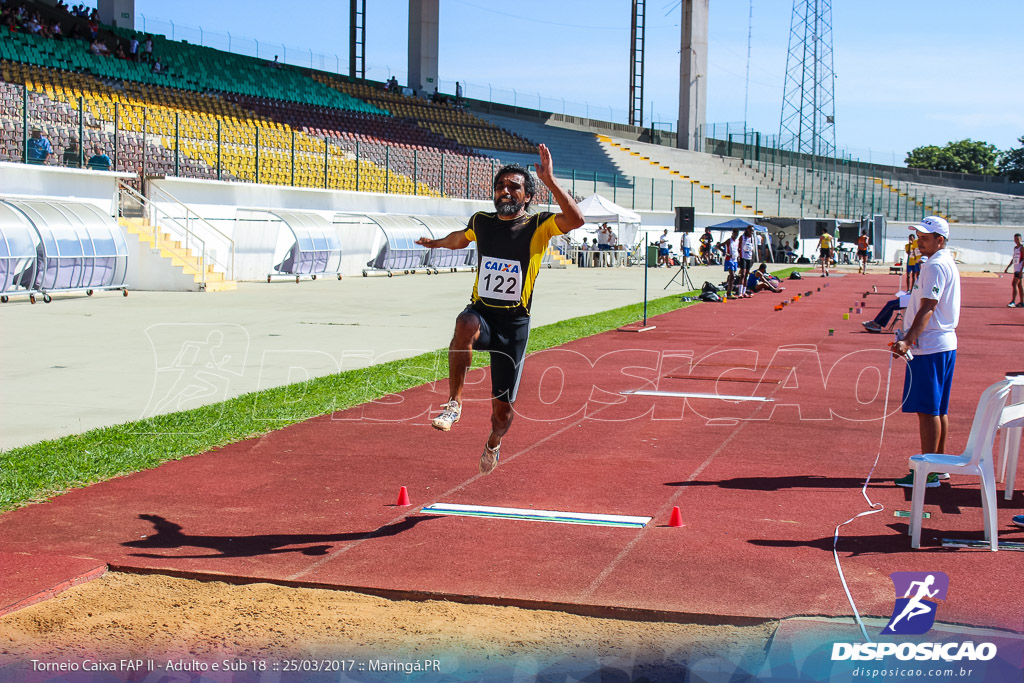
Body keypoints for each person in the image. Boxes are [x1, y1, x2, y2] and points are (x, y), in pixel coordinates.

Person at [415, 144, 584, 474]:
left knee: (502, 413)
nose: (505, 191)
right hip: (483, 314)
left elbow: (576, 220)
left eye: (514, 187)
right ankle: (454, 403)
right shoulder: (481, 221)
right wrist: (435, 244)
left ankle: (494, 441)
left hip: (514, 326)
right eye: (500, 186)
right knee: (464, 321)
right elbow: (460, 239)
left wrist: (548, 179)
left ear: (526, 196)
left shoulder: (539, 225)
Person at [890, 217, 960, 488]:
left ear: (940, 239)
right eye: (919, 236)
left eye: (926, 237)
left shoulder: (935, 265)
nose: (920, 241)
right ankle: (939, 465)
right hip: (942, 343)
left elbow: (928, 307)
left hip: (930, 346)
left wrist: (907, 340)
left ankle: (928, 471)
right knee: (938, 408)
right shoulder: (942, 262)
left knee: (927, 409)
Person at [737, 225, 756, 298]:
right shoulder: (743, 237)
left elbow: (752, 248)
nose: (752, 232)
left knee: (747, 275)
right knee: (743, 274)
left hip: (749, 258)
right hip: (743, 257)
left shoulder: (752, 238)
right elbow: (739, 247)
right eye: (751, 230)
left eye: (752, 231)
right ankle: (740, 292)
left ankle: (744, 292)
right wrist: (738, 256)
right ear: (747, 230)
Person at [1005, 233, 1023, 307]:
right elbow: (1014, 258)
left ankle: (1013, 301)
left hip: (1020, 269)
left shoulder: (1022, 248)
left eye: (1018, 239)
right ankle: (1022, 302)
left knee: (1014, 284)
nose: (1016, 240)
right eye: (1015, 239)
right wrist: (1008, 267)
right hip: (1016, 269)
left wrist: (1022, 270)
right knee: (1020, 285)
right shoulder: (1015, 248)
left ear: (1021, 239)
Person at [722, 229, 740, 298]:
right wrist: (726, 253)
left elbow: (736, 250)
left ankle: (729, 291)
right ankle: (729, 292)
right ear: (732, 233)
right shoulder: (729, 240)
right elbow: (719, 246)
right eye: (735, 234)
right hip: (729, 260)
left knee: (732, 277)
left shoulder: (737, 241)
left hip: (735, 260)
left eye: (737, 235)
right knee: (732, 275)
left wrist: (738, 258)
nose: (735, 236)